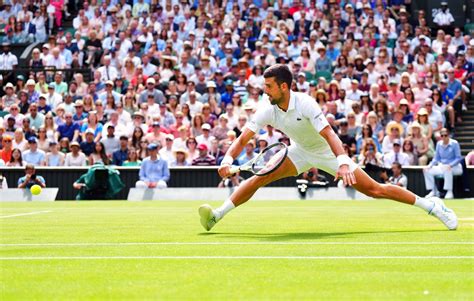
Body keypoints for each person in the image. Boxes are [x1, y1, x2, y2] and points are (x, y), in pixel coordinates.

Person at [199, 64, 457, 232]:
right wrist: (227, 159)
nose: (264, 91)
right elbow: (243, 138)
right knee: (259, 177)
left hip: (329, 153)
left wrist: (343, 160)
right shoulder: (266, 109)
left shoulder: (307, 103)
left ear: (284, 87)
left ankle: (433, 206)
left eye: (269, 86)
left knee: (374, 190)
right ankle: (217, 215)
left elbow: (329, 133)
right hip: (298, 150)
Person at [423, 128, 463, 199]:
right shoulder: (438, 144)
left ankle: (449, 191)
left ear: (449, 135)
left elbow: (458, 158)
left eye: (445, 135)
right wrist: (429, 166)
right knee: (426, 170)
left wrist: (450, 165)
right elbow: (436, 158)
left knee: (447, 168)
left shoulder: (455, 143)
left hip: (455, 167)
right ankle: (433, 191)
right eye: (442, 135)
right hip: (442, 167)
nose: (444, 137)